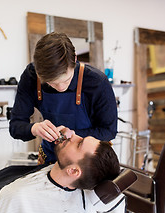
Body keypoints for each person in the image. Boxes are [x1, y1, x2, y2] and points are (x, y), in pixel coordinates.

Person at [9, 32, 118, 165]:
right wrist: (35, 128)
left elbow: (109, 131)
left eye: (66, 80)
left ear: (75, 59)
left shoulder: (96, 82)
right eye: (51, 83)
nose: (60, 87)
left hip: (89, 161)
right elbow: (15, 127)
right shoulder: (31, 76)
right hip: (50, 156)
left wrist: (74, 134)